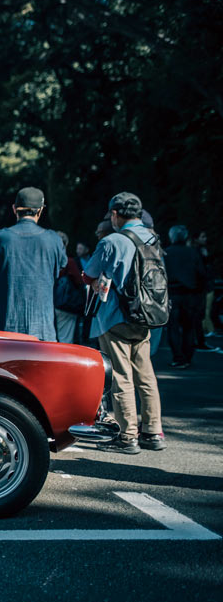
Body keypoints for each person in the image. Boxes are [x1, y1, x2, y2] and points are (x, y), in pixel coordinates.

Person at [82, 192, 165, 454]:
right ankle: (152, 431)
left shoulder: (112, 241)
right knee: (146, 373)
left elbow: (90, 274)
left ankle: (127, 435)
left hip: (115, 317)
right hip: (146, 315)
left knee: (121, 375)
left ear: (115, 214)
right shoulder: (152, 238)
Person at [0, 187, 67, 341]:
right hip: (42, 328)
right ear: (40, 211)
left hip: (4, 326)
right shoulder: (54, 240)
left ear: (15, 209)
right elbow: (59, 270)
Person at [163, 225, 207, 368]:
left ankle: (178, 357)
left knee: (173, 327)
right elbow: (201, 274)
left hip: (172, 294)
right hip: (190, 294)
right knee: (189, 327)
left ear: (172, 237)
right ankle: (187, 356)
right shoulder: (193, 253)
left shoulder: (166, 253)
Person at [53, 231, 86, 344]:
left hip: (47, 304)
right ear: (65, 245)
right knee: (65, 339)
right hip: (64, 305)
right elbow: (79, 281)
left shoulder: (45, 259)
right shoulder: (69, 262)